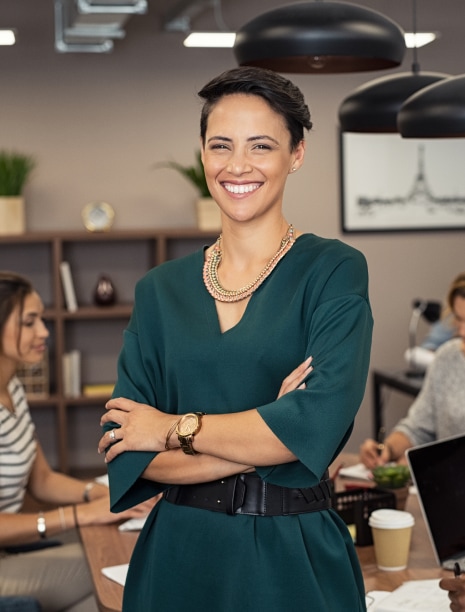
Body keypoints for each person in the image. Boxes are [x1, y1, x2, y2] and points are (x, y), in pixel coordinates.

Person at [98, 66, 373, 612]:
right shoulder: (159, 291)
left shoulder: (333, 270)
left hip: (292, 558)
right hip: (177, 559)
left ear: (296, 153)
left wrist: (171, 429)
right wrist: (271, 424)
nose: (238, 165)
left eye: (261, 145)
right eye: (221, 145)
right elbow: (129, 451)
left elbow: (315, 427)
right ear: (202, 155)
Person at [0, 271, 157, 612]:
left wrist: (105, 497)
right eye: (29, 322)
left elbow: (41, 480)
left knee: (120, 552)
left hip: (11, 549)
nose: (44, 331)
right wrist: (81, 514)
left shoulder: (11, 386)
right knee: (103, 575)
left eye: (41, 318)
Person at [360, 272, 465, 470]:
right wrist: (386, 450)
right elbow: (418, 427)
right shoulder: (446, 358)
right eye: (459, 319)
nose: (461, 331)